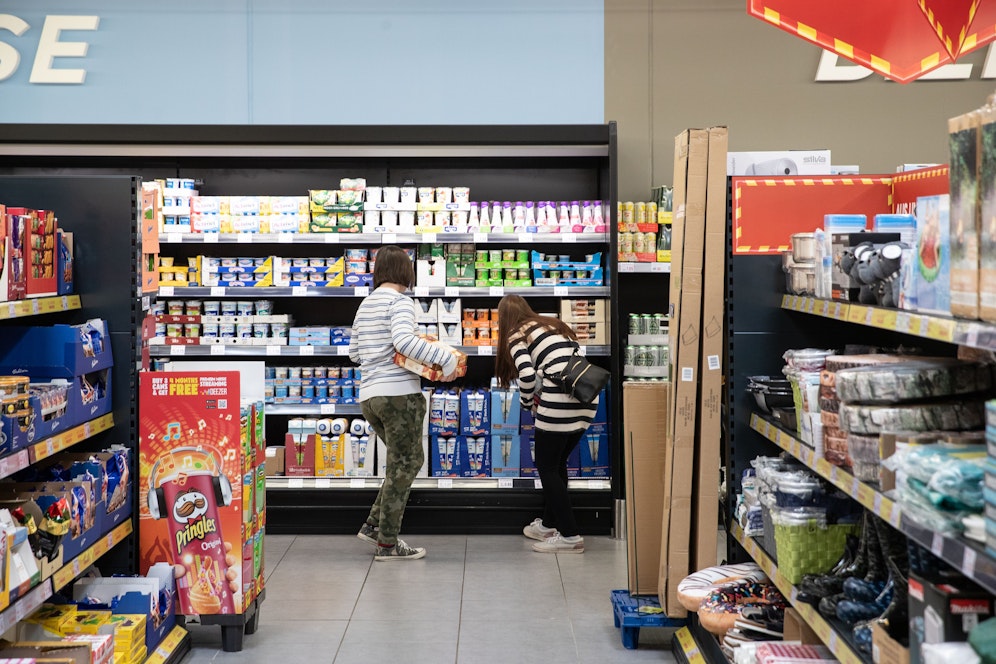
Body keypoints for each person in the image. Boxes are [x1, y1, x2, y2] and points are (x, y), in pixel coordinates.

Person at [348, 245, 460, 561]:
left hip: (370, 397)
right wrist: (446, 359)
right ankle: (387, 543)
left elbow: (354, 354)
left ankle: (374, 526)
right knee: (408, 463)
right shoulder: (400, 302)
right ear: (406, 271)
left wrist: (380, 354)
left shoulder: (366, 304)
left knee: (401, 462)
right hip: (398, 395)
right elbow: (403, 341)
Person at [494, 294, 598, 554]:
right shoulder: (552, 324)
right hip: (586, 396)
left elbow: (527, 375)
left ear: (504, 319)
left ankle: (570, 536)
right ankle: (549, 525)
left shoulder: (516, 334)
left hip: (559, 401)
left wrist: (527, 404)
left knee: (547, 467)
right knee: (557, 463)